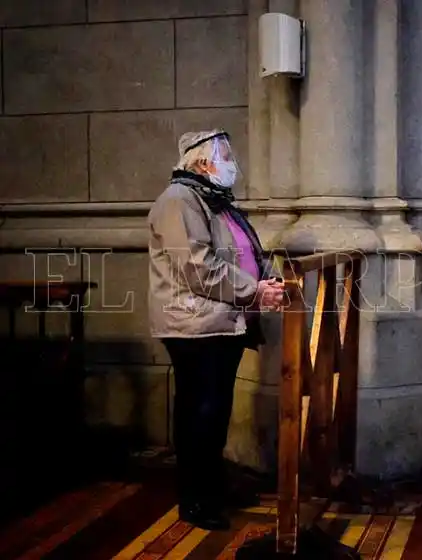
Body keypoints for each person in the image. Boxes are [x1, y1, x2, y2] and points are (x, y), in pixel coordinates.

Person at [147, 129, 285, 530]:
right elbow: (197, 266)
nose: (232, 163)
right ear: (203, 162)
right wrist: (253, 290)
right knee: (200, 411)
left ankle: (212, 485)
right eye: (225, 156)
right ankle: (195, 498)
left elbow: (247, 250)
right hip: (193, 324)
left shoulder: (217, 201)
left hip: (222, 320)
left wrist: (268, 281)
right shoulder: (178, 201)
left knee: (215, 409)